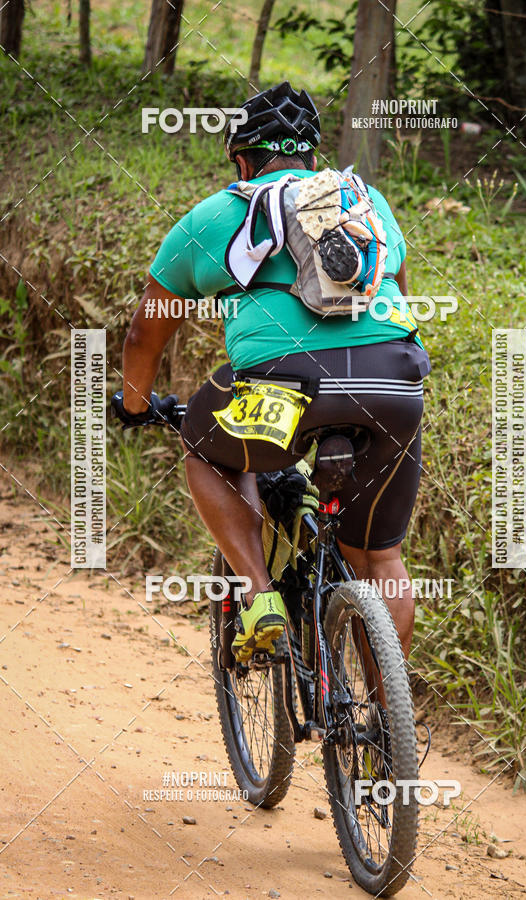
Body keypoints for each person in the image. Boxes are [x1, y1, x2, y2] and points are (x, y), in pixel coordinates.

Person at [112, 81, 431, 665]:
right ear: (314, 157)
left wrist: (136, 405)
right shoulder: (367, 201)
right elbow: (400, 296)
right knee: (381, 558)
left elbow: (143, 333)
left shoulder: (218, 214)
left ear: (241, 158)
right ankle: (391, 736)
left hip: (283, 388)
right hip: (393, 383)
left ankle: (260, 599)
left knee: (205, 444)